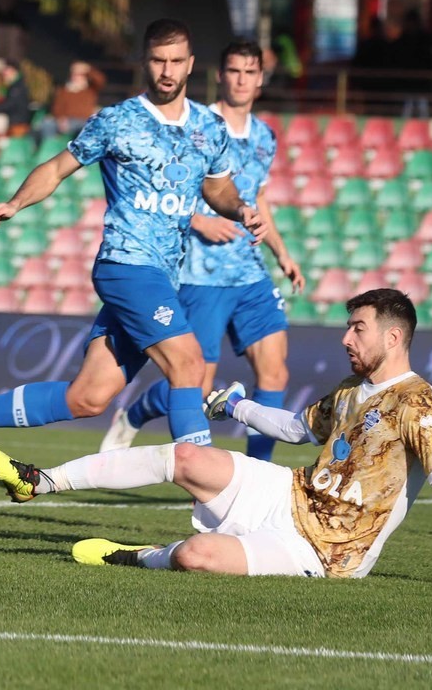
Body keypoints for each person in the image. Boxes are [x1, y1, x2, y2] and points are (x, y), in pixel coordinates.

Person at [0, 19, 268, 485]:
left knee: (88, 398)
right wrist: (15, 203)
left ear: (190, 66)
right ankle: (217, 499)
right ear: (145, 62)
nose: (167, 71)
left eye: (175, 62)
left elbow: (218, 188)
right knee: (189, 364)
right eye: (158, 60)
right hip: (125, 266)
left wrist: (242, 208)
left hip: (164, 277)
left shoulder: (210, 127)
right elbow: (57, 167)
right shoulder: (117, 120)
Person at [0, 289, 432, 588]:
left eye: (357, 329)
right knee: (189, 456)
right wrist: (238, 406)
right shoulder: (353, 387)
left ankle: (136, 555)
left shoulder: (417, 402)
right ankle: (40, 481)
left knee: (196, 557)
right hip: (291, 492)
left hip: (325, 551)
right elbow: (298, 428)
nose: (346, 337)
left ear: (393, 337)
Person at [101, 40, 305, 461]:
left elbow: (258, 197)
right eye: (234, 71)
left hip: (249, 271)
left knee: (275, 370)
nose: (242, 80)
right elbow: (165, 188)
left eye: (250, 72)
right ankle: (136, 414)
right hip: (200, 273)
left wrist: (281, 252)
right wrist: (199, 220)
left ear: (261, 80)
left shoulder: (266, 137)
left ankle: (257, 473)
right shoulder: (196, 125)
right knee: (194, 382)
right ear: (219, 75)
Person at [38, 61, 104, 141]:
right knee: (47, 123)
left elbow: (99, 79)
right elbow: (57, 107)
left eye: (80, 75)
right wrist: (60, 119)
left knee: (88, 128)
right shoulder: (64, 90)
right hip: (67, 120)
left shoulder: (90, 90)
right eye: (74, 74)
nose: (76, 77)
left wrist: (87, 69)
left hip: (84, 120)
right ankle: (51, 146)